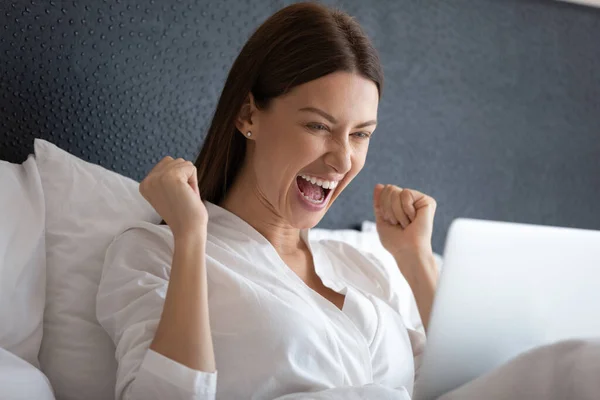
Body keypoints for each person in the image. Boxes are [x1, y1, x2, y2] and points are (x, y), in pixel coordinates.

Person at [96, 2, 439, 399]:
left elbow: (460, 386)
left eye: (360, 134)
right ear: (248, 116)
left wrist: (417, 262)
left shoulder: (362, 268)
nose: (343, 160)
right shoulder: (156, 253)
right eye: (318, 126)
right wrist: (190, 237)